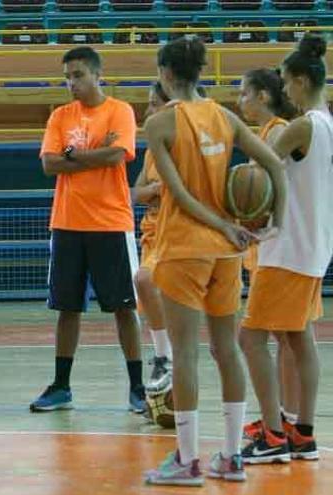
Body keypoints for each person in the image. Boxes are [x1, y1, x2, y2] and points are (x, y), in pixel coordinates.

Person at [142, 37, 286, 486]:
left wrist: (222, 226)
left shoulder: (160, 124)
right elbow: (275, 167)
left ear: (165, 73)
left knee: (184, 353)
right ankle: (231, 457)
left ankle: (187, 461)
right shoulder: (224, 116)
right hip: (227, 253)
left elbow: (179, 196)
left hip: (185, 247)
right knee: (226, 350)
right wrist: (273, 225)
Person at [34, 46, 146, 413]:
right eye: (67, 76)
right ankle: (61, 385)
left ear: (98, 75)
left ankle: (137, 386)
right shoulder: (59, 117)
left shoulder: (120, 111)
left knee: (124, 308)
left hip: (111, 222)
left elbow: (118, 155)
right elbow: (50, 165)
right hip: (67, 222)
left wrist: (72, 157)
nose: (72, 83)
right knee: (67, 308)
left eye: (78, 75)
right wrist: (91, 154)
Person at [239, 35, 331, 465]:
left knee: (250, 337)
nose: (284, 90)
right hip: (313, 247)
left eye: (286, 83)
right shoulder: (327, 123)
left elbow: (259, 167)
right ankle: (303, 431)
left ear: (297, 82)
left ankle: (273, 433)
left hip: (287, 248)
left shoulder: (302, 125)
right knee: (299, 339)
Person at [234, 68, 303, 443]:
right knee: (283, 338)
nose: (239, 100)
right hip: (267, 248)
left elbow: (270, 189)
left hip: (280, 247)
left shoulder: (278, 130)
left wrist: (253, 214)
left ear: (263, 96)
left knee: (279, 338)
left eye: (244, 93)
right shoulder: (265, 133)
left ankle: (284, 419)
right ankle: (280, 415)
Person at [132, 81, 176, 392]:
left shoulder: (187, 144)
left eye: (153, 104)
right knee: (147, 288)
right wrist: (155, 190)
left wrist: (166, 191)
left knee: (145, 281)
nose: (147, 111)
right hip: (152, 232)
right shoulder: (152, 151)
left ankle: (167, 356)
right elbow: (136, 192)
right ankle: (165, 360)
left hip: (178, 233)